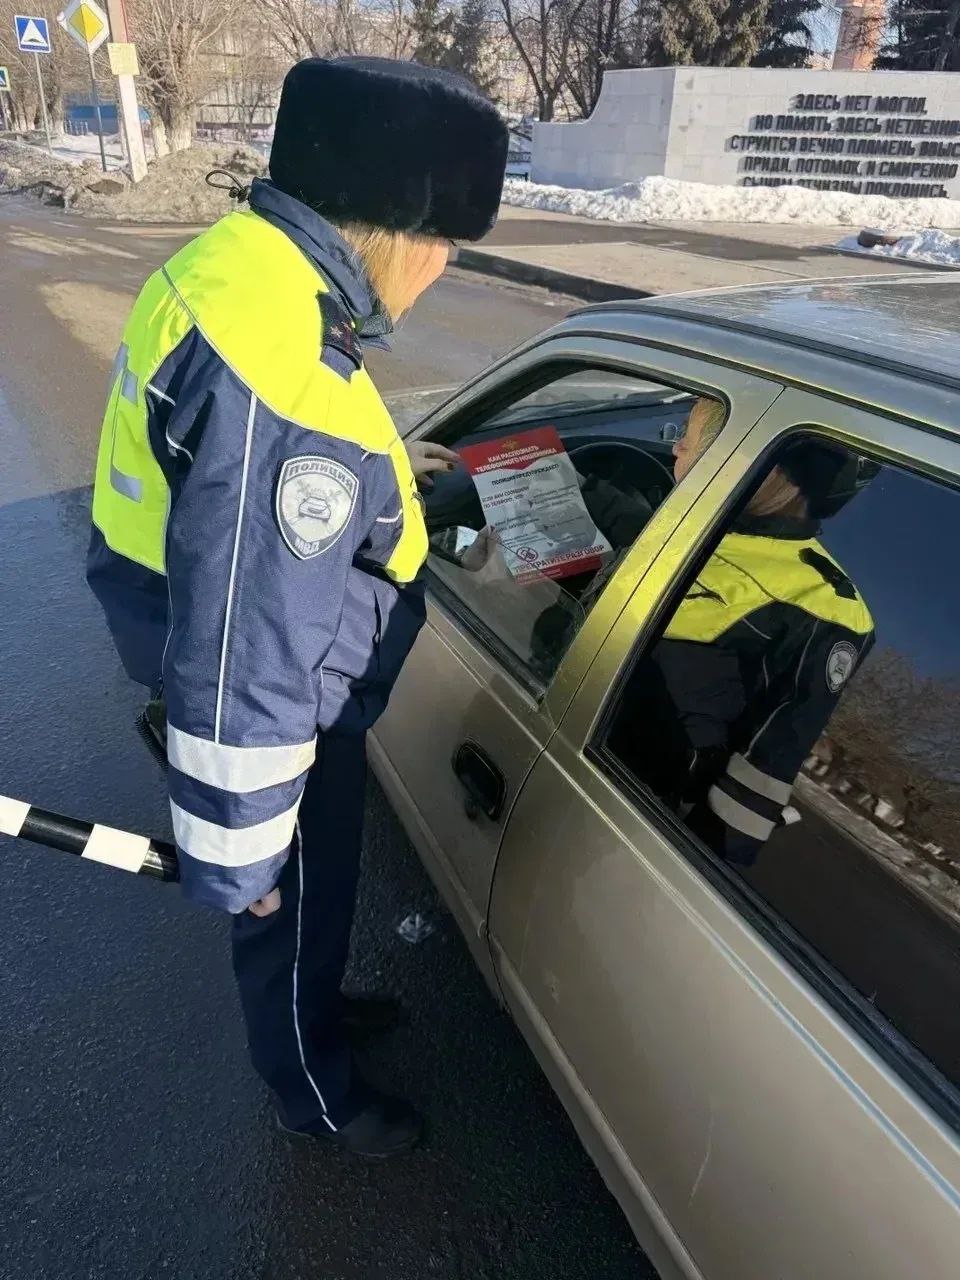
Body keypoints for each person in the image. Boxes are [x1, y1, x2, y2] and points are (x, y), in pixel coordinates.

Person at [86, 56, 508, 1157]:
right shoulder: (288, 377)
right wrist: (243, 853)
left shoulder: (240, 269)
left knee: (317, 891)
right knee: (284, 899)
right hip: (281, 702)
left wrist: (384, 464)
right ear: (400, 227)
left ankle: (314, 996)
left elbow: (244, 474)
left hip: (203, 632)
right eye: (448, 246)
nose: (444, 272)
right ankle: (314, 1093)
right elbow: (252, 640)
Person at [611, 398, 875, 865]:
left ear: (761, 463)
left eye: (691, 438)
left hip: (621, 800)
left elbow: (766, 767)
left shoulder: (829, 607)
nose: (676, 447)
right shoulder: (698, 513)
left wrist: (686, 871)